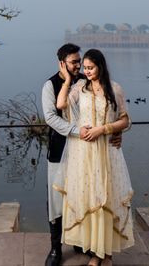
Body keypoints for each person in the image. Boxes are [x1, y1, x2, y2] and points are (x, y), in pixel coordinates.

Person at [41, 43, 121, 266]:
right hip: (59, 151)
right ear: (62, 64)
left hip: (88, 154)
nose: (78, 66)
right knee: (57, 201)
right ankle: (56, 249)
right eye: (74, 62)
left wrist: (116, 131)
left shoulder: (87, 82)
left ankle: (84, 241)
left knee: (87, 196)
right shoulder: (50, 85)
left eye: (80, 62)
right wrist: (78, 131)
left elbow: (111, 112)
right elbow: (51, 117)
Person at [55, 49, 134, 266]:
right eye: (85, 68)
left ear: (100, 66)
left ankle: (105, 254)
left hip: (106, 151)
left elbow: (125, 120)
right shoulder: (80, 88)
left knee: (106, 198)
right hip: (84, 154)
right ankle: (96, 252)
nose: (87, 71)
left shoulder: (114, 89)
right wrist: (68, 80)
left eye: (91, 68)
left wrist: (103, 129)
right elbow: (61, 105)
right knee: (90, 198)